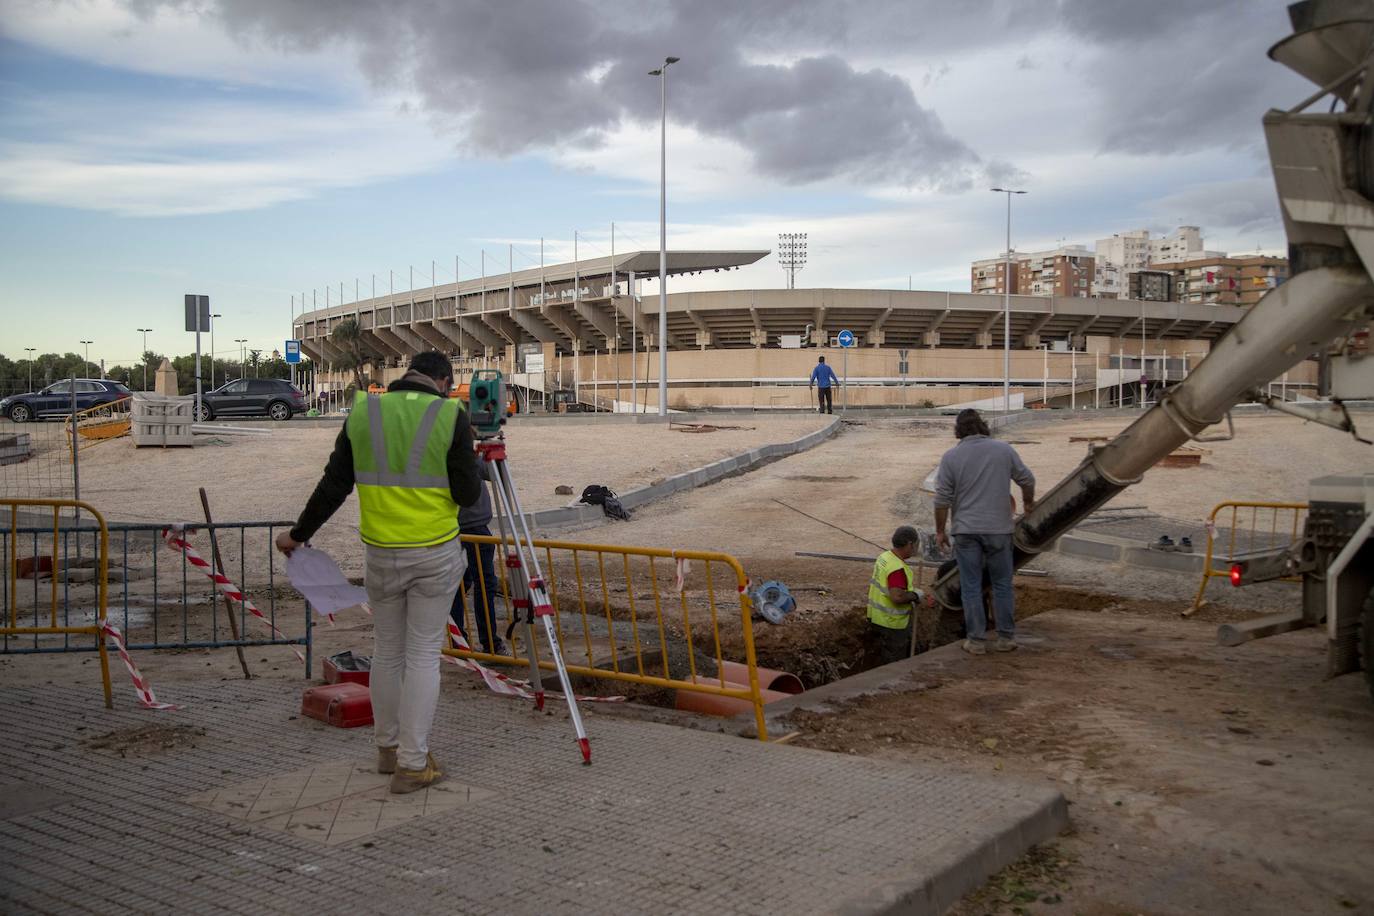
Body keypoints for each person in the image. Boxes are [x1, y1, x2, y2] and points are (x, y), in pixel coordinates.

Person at [275, 352, 481, 793]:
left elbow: (334, 485)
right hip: (433, 551)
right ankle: (413, 764)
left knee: (388, 651)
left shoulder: (363, 410)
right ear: (443, 381)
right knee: (423, 654)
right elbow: (467, 494)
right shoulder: (451, 413)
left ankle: (388, 751)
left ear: (406, 375)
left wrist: (298, 533)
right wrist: (474, 459)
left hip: (380, 553)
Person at [933, 408, 1036, 655]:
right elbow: (1027, 480)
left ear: (959, 430)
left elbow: (941, 500)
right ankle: (1005, 638)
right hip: (999, 530)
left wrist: (940, 531)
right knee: (1002, 584)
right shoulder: (1004, 450)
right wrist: (1028, 504)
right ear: (982, 426)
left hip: (966, 531)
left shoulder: (951, 457)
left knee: (971, 585)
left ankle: (976, 641)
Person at [449, 463, 508, 656]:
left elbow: (492, 473)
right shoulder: (459, 447)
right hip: (471, 525)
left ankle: (458, 640)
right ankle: (490, 642)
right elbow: (495, 473)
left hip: (453, 526)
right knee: (484, 584)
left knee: (461, 582)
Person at [866, 526, 924, 665]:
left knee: (880, 661)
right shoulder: (897, 568)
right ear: (910, 544)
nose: (916, 548)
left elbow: (887, 586)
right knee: (893, 665)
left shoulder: (884, 557)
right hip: (892, 625)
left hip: (877, 619)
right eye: (916, 544)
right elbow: (897, 597)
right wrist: (915, 595)